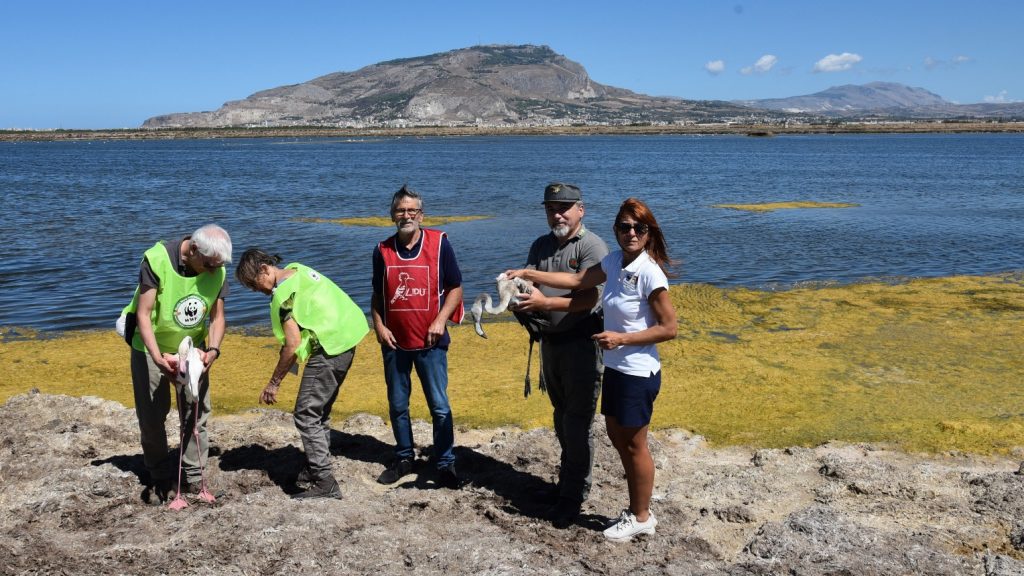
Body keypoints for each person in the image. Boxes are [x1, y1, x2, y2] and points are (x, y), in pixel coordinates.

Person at [507, 198, 678, 541]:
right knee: (618, 438)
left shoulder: (650, 272)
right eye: (624, 227)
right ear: (616, 229)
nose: (631, 233)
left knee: (635, 445)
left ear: (649, 232)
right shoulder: (615, 261)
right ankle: (635, 509)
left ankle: (641, 515)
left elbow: (669, 328)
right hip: (615, 368)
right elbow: (578, 280)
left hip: (638, 371)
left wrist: (621, 338)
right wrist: (528, 273)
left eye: (638, 228)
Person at [509, 182, 608, 529]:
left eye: (565, 207)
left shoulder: (592, 246)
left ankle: (572, 497)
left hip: (582, 344)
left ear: (581, 209)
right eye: (552, 207)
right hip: (549, 344)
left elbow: (587, 297)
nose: (558, 213)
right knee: (560, 417)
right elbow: (530, 288)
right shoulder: (541, 244)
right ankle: (565, 486)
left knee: (578, 423)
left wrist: (542, 299)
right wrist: (516, 296)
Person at [236, 249, 369, 500]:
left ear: (265, 269)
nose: (258, 291)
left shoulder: (283, 297)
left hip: (329, 349)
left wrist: (273, 383)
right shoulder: (298, 269)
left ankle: (325, 481)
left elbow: (292, 345)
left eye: (256, 285)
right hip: (349, 338)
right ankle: (315, 464)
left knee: (306, 414)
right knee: (319, 412)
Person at [121, 224, 231, 503]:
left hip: (191, 350)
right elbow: (144, 315)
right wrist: (158, 359)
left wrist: (213, 351)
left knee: (196, 414)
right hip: (150, 348)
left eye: (216, 266)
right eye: (207, 264)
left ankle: (193, 477)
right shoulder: (157, 260)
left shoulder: (215, 269)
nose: (211, 271)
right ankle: (159, 476)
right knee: (152, 417)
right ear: (192, 249)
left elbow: (217, 318)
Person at [371, 184, 465, 488]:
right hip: (394, 343)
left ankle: (445, 463)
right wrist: (379, 326)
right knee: (398, 405)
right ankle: (403, 458)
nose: (406, 215)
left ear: (421, 215)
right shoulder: (382, 250)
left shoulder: (439, 245)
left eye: (412, 210)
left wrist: (440, 319)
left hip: (430, 343)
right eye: (401, 210)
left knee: (439, 405)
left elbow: (455, 287)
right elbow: (377, 294)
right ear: (392, 215)